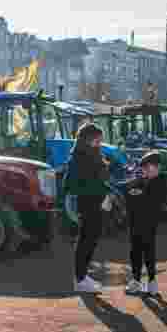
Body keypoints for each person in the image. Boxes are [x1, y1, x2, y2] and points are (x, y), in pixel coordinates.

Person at [66, 122, 112, 293]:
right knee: (86, 240)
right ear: (86, 139)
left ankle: (82, 276)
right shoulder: (78, 158)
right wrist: (100, 190)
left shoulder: (94, 155)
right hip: (87, 204)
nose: (99, 144)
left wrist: (106, 191)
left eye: (100, 140)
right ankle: (79, 278)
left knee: (92, 239)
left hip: (96, 203)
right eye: (97, 140)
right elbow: (71, 185)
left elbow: (100, 178)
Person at [124, 151, 167, 296]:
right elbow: (129, 192)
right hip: (138, 222)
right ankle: (142, 281)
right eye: (144, 169)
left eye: (147, 168)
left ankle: (148, 281)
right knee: (137, 252)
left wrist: (136, 192)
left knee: (145, 251)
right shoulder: (144, 181)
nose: (145, 171)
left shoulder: (159, 182)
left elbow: (152, 201)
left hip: (147, 222)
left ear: (155, 167)